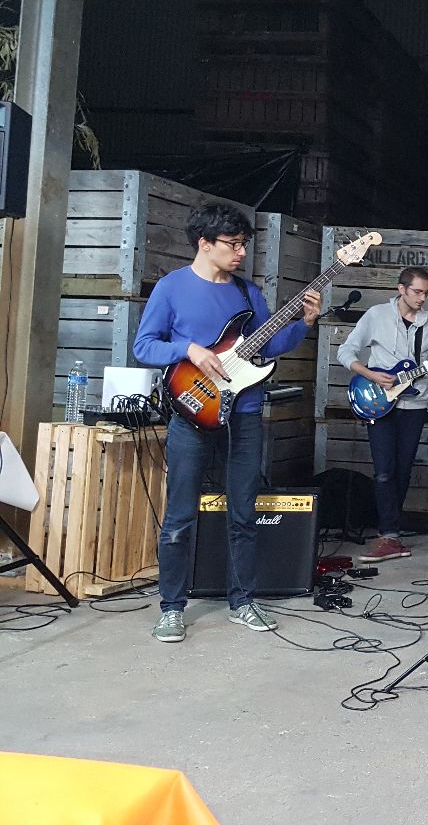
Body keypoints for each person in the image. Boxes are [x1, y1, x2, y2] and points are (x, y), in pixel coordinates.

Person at [134, 202, 320, 643]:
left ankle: (243, 600)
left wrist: (306, 323)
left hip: (246, 414)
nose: (240, 253)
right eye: (233, 245)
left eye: (243, 245)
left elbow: (267, 346)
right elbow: (144, 346)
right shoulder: (172, 288)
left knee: (243, 514)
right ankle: (172, 608)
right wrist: (190, 350)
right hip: (190, 414)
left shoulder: (246, 293)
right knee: (179, 515)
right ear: (204, 243)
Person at [338, 266, 428, 563]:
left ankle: (391, 533)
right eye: (417, 292)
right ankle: (388, 532)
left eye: (427, 292)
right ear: (401, 289)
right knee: (384, 470)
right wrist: (369, 373)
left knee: (403, 468)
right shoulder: (376, 316)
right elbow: (345, 352)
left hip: (415, 404)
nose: (423, 298)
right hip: (378, 402)